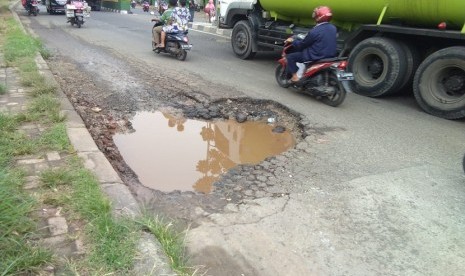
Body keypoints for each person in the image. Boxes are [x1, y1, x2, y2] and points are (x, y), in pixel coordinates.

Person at [285, 6, 337, 83]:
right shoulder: (333, 28)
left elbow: (302, 45)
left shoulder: (315, 31)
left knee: (290, 57)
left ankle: (295, 77)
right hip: (330, 55)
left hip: (316, 55)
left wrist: (293, 41)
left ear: (318, 17)